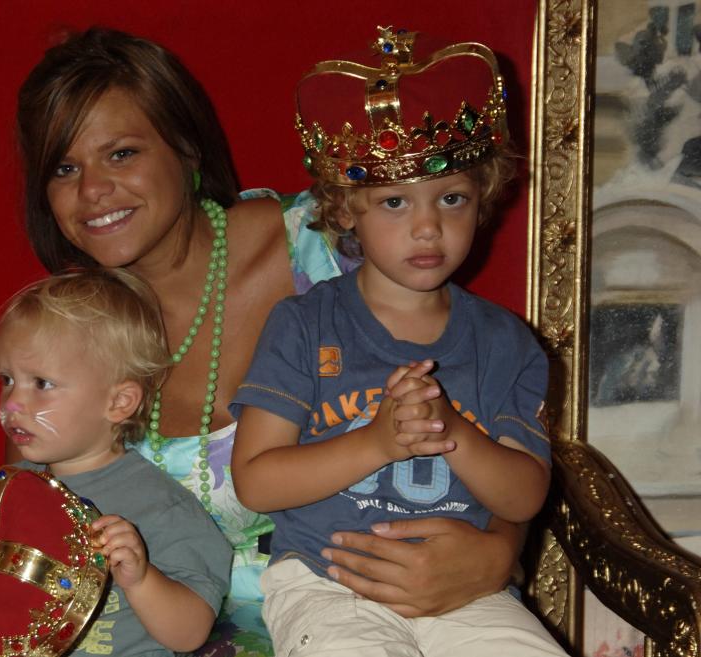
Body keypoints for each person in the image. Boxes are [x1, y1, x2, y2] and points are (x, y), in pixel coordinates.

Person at [0, 25, 530, 657]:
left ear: (185, 149)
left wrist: (498, 552)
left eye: (121, 153)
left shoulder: (334, 249)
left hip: (379, 606)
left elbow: (483, 397)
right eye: (64, 168)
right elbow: (27, 524)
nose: (92, 191)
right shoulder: (63, 333)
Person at [229, 28, 566, 656]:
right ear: (345, 207)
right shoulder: (303, 325)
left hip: (469, 591)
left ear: (483, 200)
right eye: (393, 201)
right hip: (328, 584)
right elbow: (257, 482)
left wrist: (452, 434)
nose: (428, 226)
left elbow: (525, 495)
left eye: (452, 198)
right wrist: (379, 441)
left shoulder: (506, 342)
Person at [0, 269, 232, 657]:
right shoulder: (7, 495)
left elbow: (190, 633)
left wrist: (142, 579)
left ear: (118, 403)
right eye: (6, 379)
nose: (12, 404)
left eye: (42, 384)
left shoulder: (160, 507)